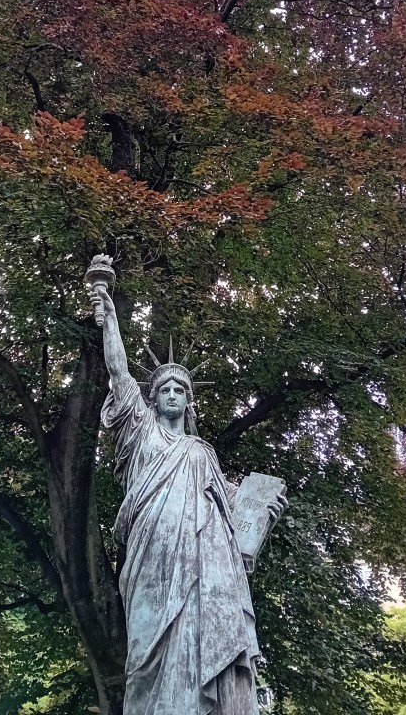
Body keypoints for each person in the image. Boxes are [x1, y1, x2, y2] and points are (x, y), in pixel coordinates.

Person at [86, 255, 286, 715]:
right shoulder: (141, 432)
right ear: (152, 400)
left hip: (206, 566)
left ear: (188, 400)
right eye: (164, 389)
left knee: (204, 643)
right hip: (151, 555)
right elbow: (119, 375)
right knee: (145, 657)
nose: (172, 394)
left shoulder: (203, 453)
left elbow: (237, 519)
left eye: (180, 389)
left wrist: (261, 514)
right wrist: (110, 314)